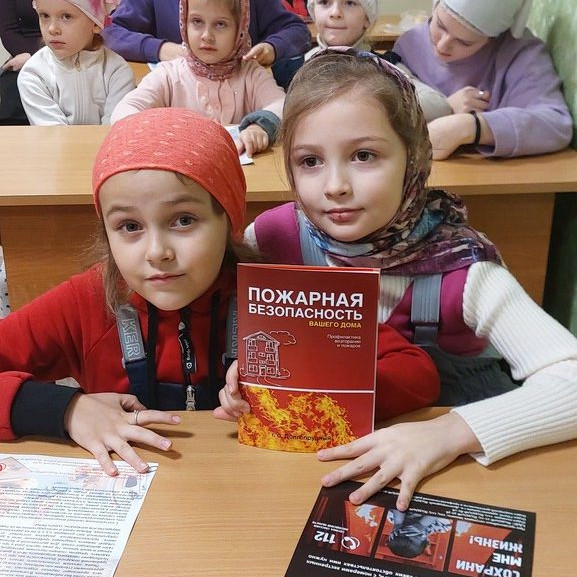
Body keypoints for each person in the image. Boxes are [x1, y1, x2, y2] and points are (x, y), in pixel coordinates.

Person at [215, 50, 577, 511]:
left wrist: (446, 433)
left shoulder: (462, 267)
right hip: (313, 468)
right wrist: (242, 376)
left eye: (364, 155)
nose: (335, 185)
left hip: (449, 472)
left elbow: (571, 380)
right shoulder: (273, 238)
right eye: (309, 161)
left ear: (413, 155)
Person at [0, 106, 249, 476]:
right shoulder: (86, 300)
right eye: (130, 226)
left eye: (183, 220)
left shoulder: (279, 299)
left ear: (230, 220)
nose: (156, 252)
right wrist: (67, 409)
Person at [393, 0, 573, 159]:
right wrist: (446, 107)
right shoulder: (410, 44)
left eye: (464, 42)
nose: (442, 45)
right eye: (440, 25)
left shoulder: (522, 56)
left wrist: (472, 127)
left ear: (493, 38)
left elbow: (556, 124)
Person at [111, 0, 285, 158]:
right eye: (197, 21)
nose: (207, 36)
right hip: (181, 176)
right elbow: (125, 110)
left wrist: (260, 127)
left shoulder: (251, 74)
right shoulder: (168, 75)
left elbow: (283, 106)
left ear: (240, 29)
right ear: (184, 22)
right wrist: (158, 134)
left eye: (220, 24)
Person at [101, 0, 311, 89]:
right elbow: (111, 33)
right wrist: (161, 49)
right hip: (178, 94)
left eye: (220, 24)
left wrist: (272, 48)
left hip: (242, 95)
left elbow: (298, 31)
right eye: (196, 21)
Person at [305, 0, 451, 121]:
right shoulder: (301, 65)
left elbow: (438, 106)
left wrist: (375, 102)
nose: (335, 12)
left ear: (367, 19)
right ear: (313, 12)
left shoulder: (386, 66)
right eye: (324, 2)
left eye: (350, 3)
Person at [17, 0, 134, 125]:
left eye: (66, 17)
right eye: (45, 16)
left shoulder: (117, 71)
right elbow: (52, 133)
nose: (52, 29)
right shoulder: (34, 74)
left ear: (95, 23)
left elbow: (115, 129)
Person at [0, 0, 42, 124]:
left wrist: (37, 57)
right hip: (24, 56)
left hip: (67, 52)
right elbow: (8, 30)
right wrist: (31, 58)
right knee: (12, 97)